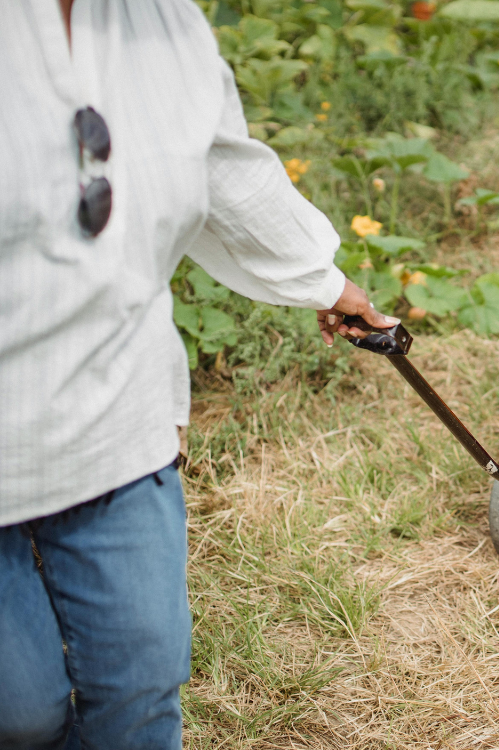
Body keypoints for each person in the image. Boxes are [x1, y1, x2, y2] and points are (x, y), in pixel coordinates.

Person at [0, 1, 393, 747]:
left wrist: (323, 281)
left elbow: (222, 168)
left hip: (119, 413)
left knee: (142, 686)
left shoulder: (166, 23)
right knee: (20, 717)